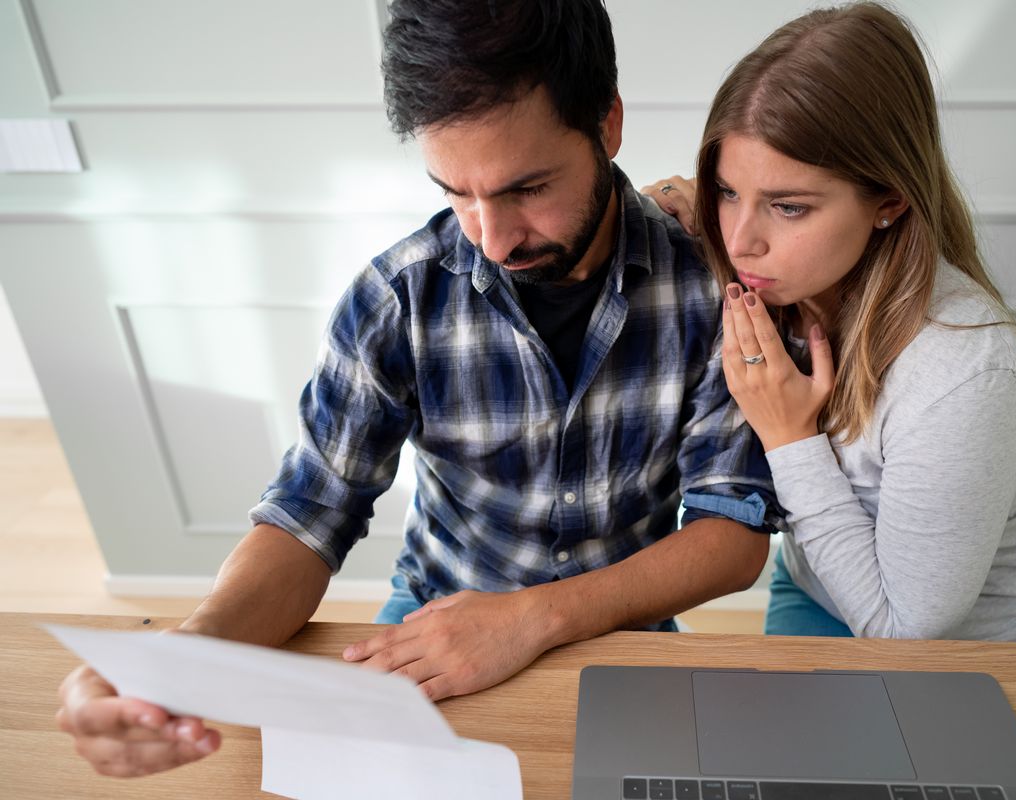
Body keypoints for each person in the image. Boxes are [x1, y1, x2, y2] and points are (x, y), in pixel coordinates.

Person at [56, 0, 783, 777]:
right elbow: (307, 517)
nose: (492, 237)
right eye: (455, 192)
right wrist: (192, 654)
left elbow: (731, 535)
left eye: (526, 188)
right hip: (431, 621)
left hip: (624, 629)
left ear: (607, 125)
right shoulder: (396, 298)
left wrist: (531, 619)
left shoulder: (713, 291)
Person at [645, 2, 1016, 644]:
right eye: (729, 192)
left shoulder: (962, 371)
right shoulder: (778, 268)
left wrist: (790, 438)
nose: (741, 241)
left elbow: (905, 631)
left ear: (889, 202)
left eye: (788, 207)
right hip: (822, 591)